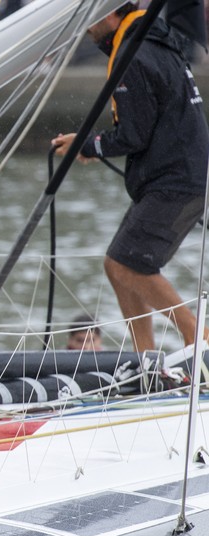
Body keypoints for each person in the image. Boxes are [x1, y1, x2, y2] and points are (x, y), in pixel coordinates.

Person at [51, 3, 209, 356]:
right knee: (118, 263)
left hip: (174, 179)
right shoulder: (151, 41)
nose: (88, 29)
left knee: (128, 264)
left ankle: (198, 339)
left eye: (91, 20)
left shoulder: (133, 53)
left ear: (109, 14)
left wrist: (87, 145)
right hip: (181, 175)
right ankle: (146, 358)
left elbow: (133, 135)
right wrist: (87, 144)